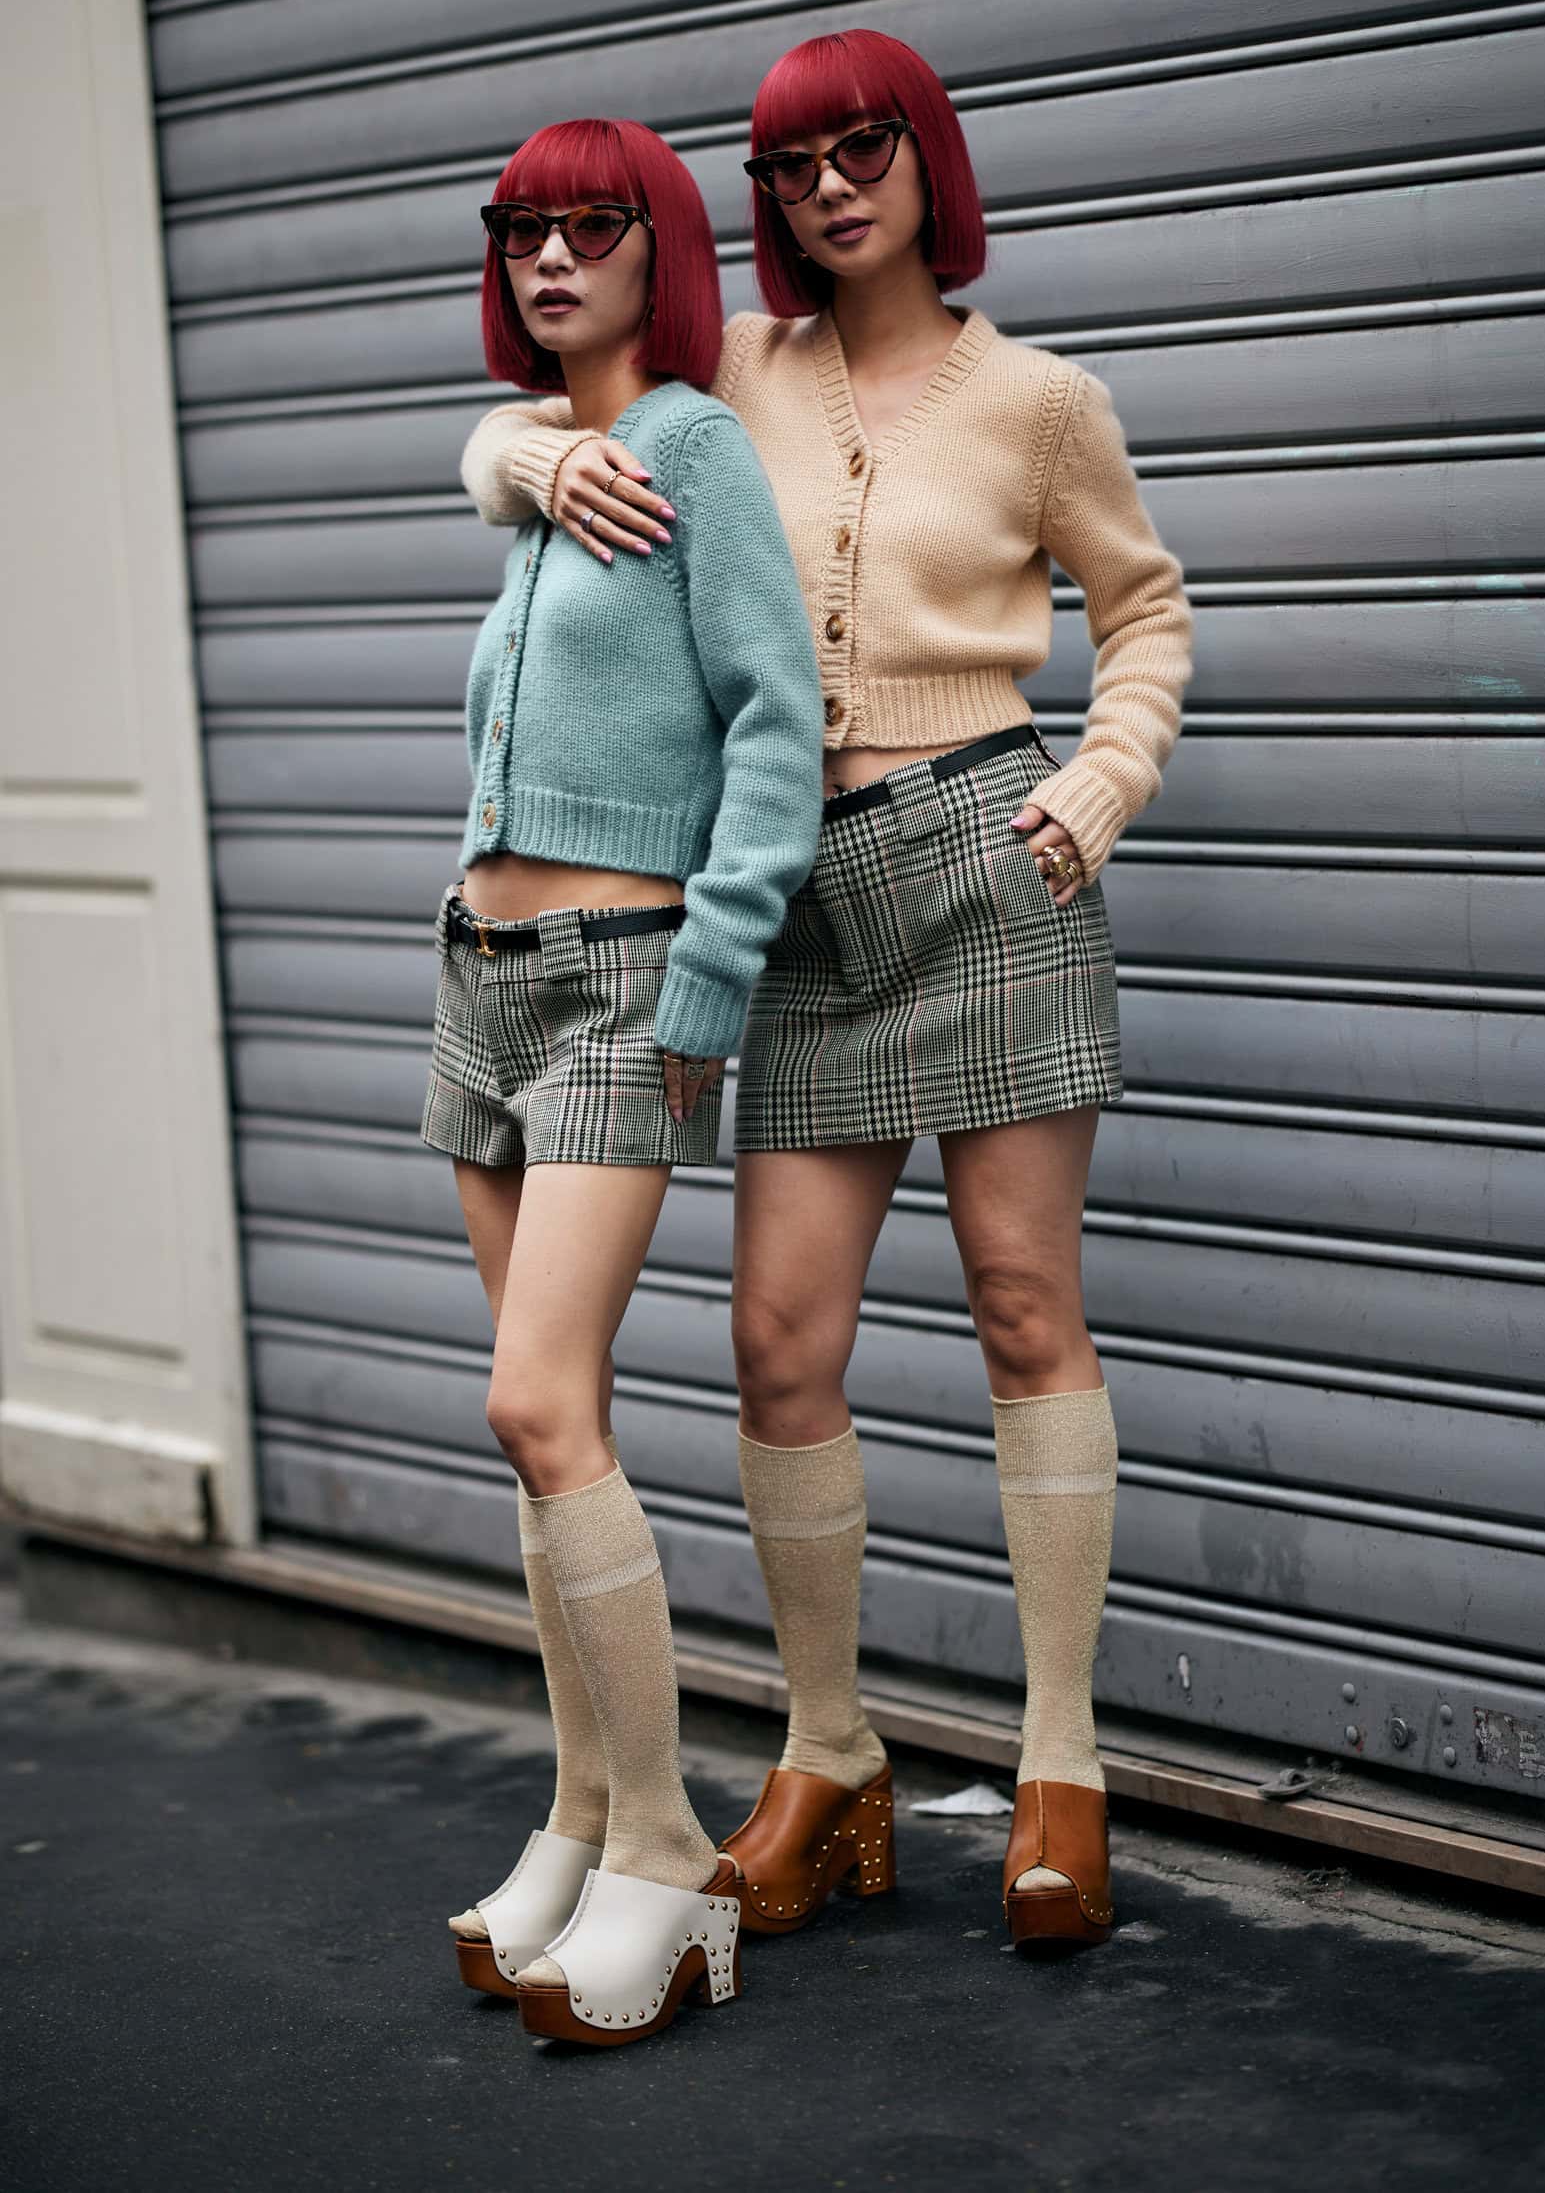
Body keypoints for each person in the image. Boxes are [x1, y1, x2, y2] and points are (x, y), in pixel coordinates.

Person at [460, 33, 1193, 1952]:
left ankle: (1059, 1766)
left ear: (927, 160)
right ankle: (831, 1755)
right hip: (785, 901)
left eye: (863, 149)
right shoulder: (737, 379)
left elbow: (1144, 611)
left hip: (989, 858)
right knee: (779, 1346)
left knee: (1024, 1306)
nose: (829, 189)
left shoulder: (1042, 402)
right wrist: (520, 456)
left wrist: (1106, 774)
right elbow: (557, 411)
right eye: (790, 166)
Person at [425, 116, 822, 2043]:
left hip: (619, 986)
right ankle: (582, 1811)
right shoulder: (543, 468)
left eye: (593, 223)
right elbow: (495, 455)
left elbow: (777, 721)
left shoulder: (695, 450)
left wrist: (717, 970)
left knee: (536, 1401)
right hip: (482, 975)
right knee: (541, 1428)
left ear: (659, 245)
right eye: (523, 226)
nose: (552, 253)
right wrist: (510, 454)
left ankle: (668, 1857)